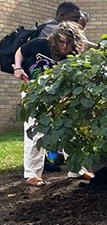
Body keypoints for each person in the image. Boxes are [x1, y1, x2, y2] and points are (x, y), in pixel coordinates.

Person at [13, 22, 92, 186]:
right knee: (35, 132)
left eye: (69, 43)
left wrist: (67, 96)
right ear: (56, 39)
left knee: (71, 130)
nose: (64, 46)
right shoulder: (40, 44)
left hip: (60, 95)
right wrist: (18, 68)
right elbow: (20, 51)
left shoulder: (74, 56)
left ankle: (76, 169)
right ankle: (32, 174)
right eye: (61, 41)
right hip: (34, 93)